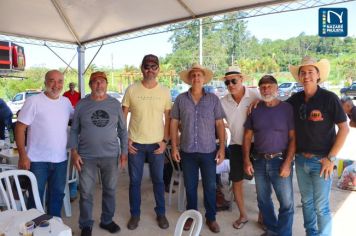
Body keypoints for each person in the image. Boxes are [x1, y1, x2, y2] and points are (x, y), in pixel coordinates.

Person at [287, 56, 349, 236]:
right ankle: (311, 233)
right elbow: (276, 109)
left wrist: (331, 158)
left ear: (318, 75)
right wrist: (256, 102)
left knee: (321, 207)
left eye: (310, 72)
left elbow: (344, 129)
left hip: (322, 161)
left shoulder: (329, 98)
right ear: (299, 77)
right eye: (303, 73)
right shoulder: (294, 100)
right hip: (300, 160)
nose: (306, 76)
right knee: (306, 202)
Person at [69, 71, 128, 236]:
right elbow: (74, 131)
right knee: (86, 192)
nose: (99, 85)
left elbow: (123, 131)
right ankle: (86, 224)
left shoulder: (115, 104)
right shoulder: (81, 104)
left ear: (107, 84)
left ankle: (107, 220)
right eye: (95, 82)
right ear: (90, 85)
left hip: (111, 155)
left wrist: (124, 153)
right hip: (86, 156)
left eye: (102, 82)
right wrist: (74, 152)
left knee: (110, 189)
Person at [171, 63, 225, 233]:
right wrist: (174, 146)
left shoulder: (213, 99)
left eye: (199, 75)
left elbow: (219, 124)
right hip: (187, 151)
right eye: (193, 75)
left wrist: (222, 147)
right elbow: (173, 123)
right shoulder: (180, 99)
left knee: (210, 186)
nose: (196, 78)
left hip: (208, 150)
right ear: (189, 79)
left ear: (203, 78)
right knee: (190, 185)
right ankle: (191, 216)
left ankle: (211, 217)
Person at [122, 54, 171, 230]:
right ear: (142, 68)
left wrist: (165, 141)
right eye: (147, 66)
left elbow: (168, 118)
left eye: (154, 66)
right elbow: (123, 116)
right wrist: (125, 140)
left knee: (158, 180)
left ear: (158, 69)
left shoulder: (165, 91)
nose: (150, 69)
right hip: (135, 143)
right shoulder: (131, 89)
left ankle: (161, 214)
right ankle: (135, 215)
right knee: (135, 181)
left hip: (157, 144)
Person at [15, 70, 73, 217]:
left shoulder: (66, 102)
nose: (56, 85)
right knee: (35, 197)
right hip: (37, 160)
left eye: (60, 81)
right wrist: (23, 155)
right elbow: (20, 128)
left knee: (57, 196)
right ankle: (34, 228)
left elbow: (79, 118)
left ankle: (53, 226)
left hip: (60, 159)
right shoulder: (33, 101)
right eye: (52, 81)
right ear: (45, 82)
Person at [243, 75, 295, 236]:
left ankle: (284, 234)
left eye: (269, 86)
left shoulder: (287, 109)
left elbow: (293, 137)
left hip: (280, 160)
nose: (266, 89)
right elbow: (247, 136)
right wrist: (246, 160)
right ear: (259, 90)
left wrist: (288, 162)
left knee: (286, 202)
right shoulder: (255, 109)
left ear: (276, 88)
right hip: (258, 160)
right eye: (263, 87)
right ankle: (272, 230)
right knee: (263, 200)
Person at [220, 66, 261, 229]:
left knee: (262, 183)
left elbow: (272, 102)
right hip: (236, 145)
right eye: (227, 82)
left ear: (241, 79)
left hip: (257, 145)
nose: (230, 85)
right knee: (236, 181)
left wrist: (260, 100)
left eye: (234, 81)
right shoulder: (223, 102)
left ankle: (262, 215)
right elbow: (218, 124)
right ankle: (243, 215)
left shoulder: (255, 95)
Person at [63, 82, 81, 201]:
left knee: (72, 164)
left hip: (70, 163)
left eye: (73, 86)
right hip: (70, 165)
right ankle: (74, 188)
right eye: (70, 86)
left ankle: (73, 189)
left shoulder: (71, 131)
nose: (72, 87)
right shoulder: (65, 95)